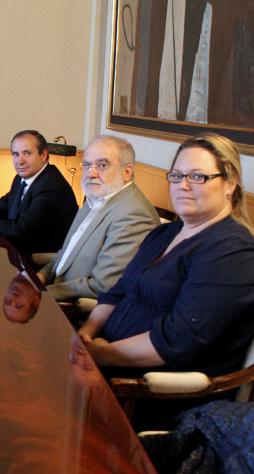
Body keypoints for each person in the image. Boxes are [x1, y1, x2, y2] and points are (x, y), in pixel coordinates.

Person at [79, 133, 254, 381]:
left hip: (145, 391)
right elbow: (118, 292)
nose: (183, 185)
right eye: (177, 176)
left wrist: (102, 354)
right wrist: (86, 333)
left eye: (197, 176)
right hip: (100, 361)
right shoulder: (164, 232)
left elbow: (177, 339)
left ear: (230, 183)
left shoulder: (233, 252)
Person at [38, 135, 159, 301]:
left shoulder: (133, 216)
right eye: (87, 165)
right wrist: (40, 277)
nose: (91, 173)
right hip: (52, 290)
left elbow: (103, 286)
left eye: (102, 165)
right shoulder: (96, 196)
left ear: (127, 172)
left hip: (71, 309)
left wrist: (41, 293)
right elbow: (66, 253)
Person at [0, 129, 78, 254]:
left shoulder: (52, 186)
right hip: (18, 251)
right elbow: (3, 205)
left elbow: (21, 229)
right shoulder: (22, 178)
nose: (20, 161)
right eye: (16, 154)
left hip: (41, 261)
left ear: (44, 155)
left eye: (27, 153)